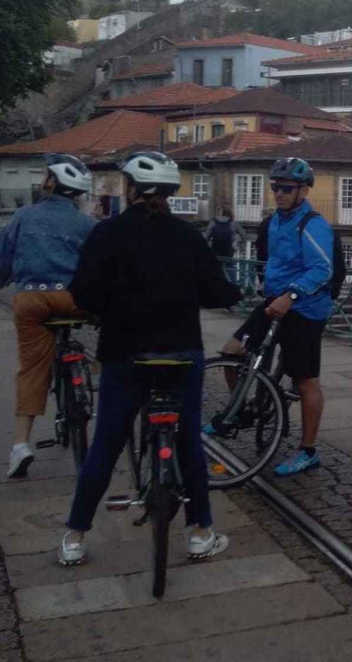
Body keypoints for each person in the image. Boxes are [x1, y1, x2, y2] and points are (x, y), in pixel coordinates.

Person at [59, 150, 242, 566]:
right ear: (169, 193)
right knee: (189, 442)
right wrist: (231, 293)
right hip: (180, 353)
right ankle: (201, 532)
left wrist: (104, 310)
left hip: (124, 352)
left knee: (106, 443)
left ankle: (75, 536)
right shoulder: (188, 236)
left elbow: (82, 292)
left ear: (131, 189)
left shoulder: (107, 234)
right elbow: (217, 291)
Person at [212, 156, 332, 477]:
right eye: (275, 187)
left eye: (286, 188)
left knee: (305, 380)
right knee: (231, 353)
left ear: (303, 191)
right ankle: (240, 410)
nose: (279, 193)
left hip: (305, 308)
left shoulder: (313, 224)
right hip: (273, 300)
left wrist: (292, 296)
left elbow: (322, 269)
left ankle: (308, 451)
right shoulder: (276, 220)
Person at [0, 153, 96, 479]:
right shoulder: (86, 224)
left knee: (32, 368)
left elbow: (3, 258)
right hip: (74, 300)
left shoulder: (24, 216)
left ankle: (21, 444)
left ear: (51, 182)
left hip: (32, 299)